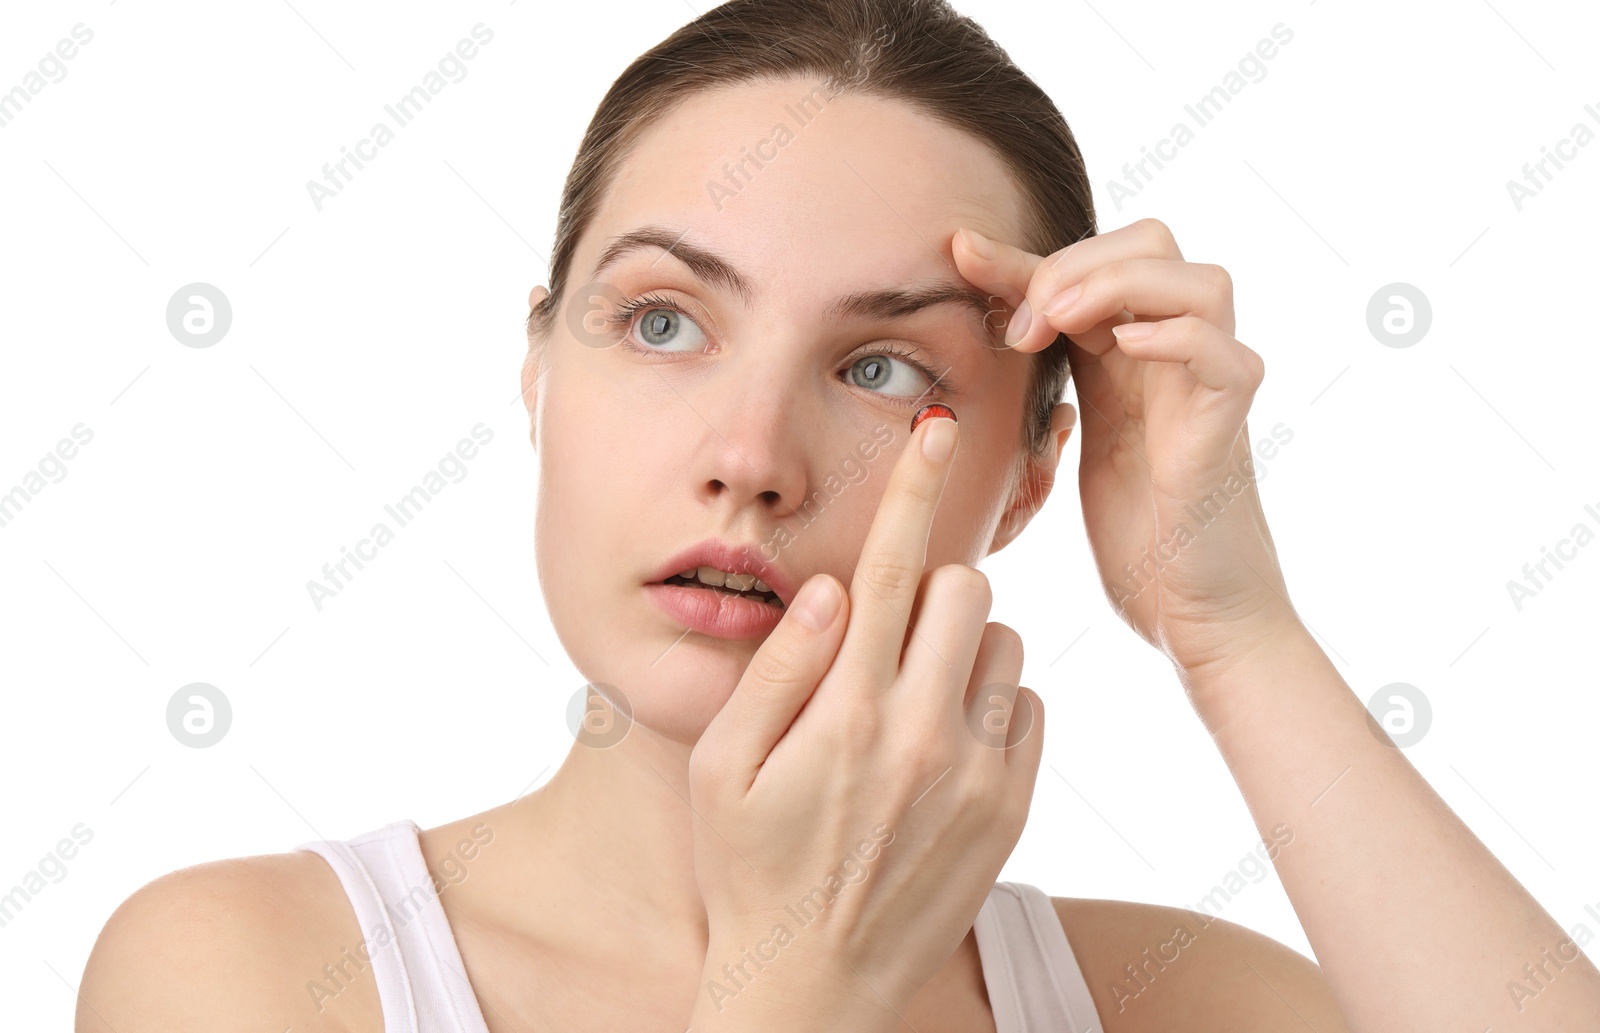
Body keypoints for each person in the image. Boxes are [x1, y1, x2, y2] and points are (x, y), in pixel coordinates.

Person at [76, 1, 1600, 1030]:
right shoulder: (256, 970)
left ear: (1028, 468)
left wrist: (1231, 628)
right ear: (538, 365)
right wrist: (797, 983)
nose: (751, 456)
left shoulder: (1173, 998)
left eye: (881, 368)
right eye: (664, 323)